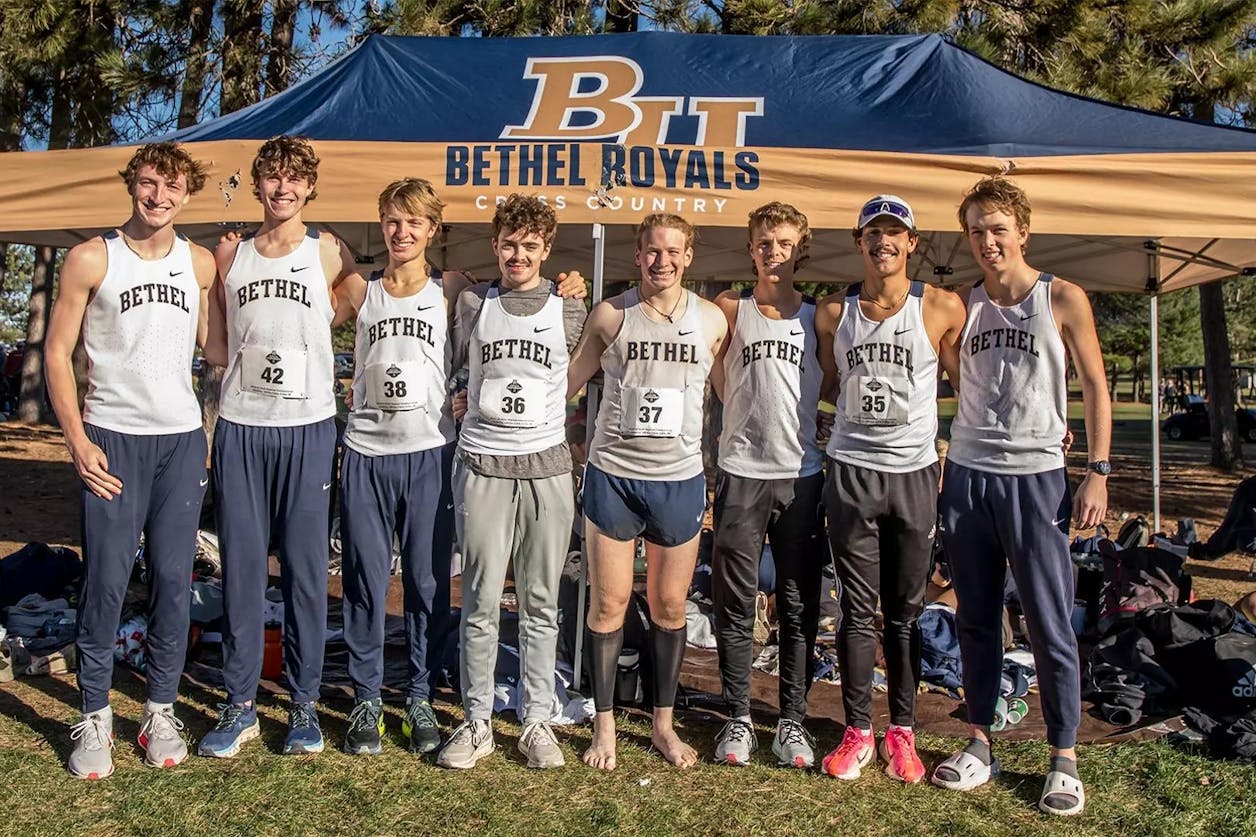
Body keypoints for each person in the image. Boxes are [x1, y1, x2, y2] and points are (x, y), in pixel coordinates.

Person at [931, 176, 1111, 817]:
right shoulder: (962, 305)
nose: (986, 241)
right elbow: (957, 372)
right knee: (975, 617)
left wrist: (1099, 468)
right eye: (975, 230)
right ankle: (980, 740)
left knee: (1048, 620)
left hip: (1037, 477)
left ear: (1023, 232)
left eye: (997, 229)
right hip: (970, 474)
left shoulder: (1060, 297)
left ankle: (1063, 754)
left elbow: (1093, 381)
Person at [44, 142, 217, 778]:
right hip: (112, 438)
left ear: (187, 194)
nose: (159, 196)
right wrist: (77, 440)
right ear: (132, 184)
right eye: (149, 183)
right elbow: (57, 353)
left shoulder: (199, 264)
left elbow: (219, 348)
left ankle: (160, 709)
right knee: (108, 582)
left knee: (176, 581)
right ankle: (92, 714)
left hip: (178, 443)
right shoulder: (93, 256)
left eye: (172, 187)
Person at [198, 135, 358, 758]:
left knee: (304, 573)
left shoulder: (327, 250)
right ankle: (238, 705)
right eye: (273, 179)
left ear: (309, 188)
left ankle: (303, 705)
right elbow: (216, 346)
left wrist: (323, 329)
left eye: (295, 181)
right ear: (259, 184)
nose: (283, 190)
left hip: (309, 426)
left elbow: (357, 296)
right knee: (241, 569)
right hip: (241, 425)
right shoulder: (231, 255)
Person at [567, 213, 727, 771]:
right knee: (609, 604)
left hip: (678, 480)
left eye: (674, 251)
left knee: (669, 605)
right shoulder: (612, 315)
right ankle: (605, 725)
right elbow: (568, 381)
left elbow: (730, 392)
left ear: (688, 258)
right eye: (653, 251)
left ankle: (663, 724)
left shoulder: (710, 321)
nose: (663, 261)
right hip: (614, 475)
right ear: (638, 257)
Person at [814, 195, 965, 783]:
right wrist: (820, 418)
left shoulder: (941, 307)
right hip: (851, 471)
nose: (884, 242)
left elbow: (968, 383)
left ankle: (901, 730)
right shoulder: (833, 312)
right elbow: (824, 383)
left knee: (903, 611)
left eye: (894, 233)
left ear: (911, 242)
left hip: (913, 475)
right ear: (859, 243)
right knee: (856, 610)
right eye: (873, 232)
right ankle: (856, 729)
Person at [437, 194, 586, 770]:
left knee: (540, 601)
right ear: (495, 245)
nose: (518, 255)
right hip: (481, 464)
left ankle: (537, 720)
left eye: (530, 246)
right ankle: (476, 721)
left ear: (546, 249)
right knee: (478, 599)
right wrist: (455, 398)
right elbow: (453, 364)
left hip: (546, 468)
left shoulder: (570, 306)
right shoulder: (475, 301)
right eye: (508, 244)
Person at [331, 178, 458, 756]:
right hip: (366, 450)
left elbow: (514, 311)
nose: (401, 232)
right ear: (380, 224)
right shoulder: (359, 291)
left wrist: (571, 285)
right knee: (364, 576)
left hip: (429, 451)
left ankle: (420, 694)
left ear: (433, 228)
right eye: (392, 220)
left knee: (427, 581)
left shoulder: (452, 289)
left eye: (414, 222)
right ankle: (364, 695)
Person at [706, 202, 827, 768]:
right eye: (762, 242)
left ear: (801, 246)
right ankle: (737, 717)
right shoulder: (731, 308)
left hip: (802, 477)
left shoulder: (819, 317)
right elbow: (711, 368)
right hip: (740, 474)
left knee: (798, 605)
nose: (772, 251)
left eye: (783, 242)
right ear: (750, 246)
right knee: (734, 602)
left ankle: (794, 722)